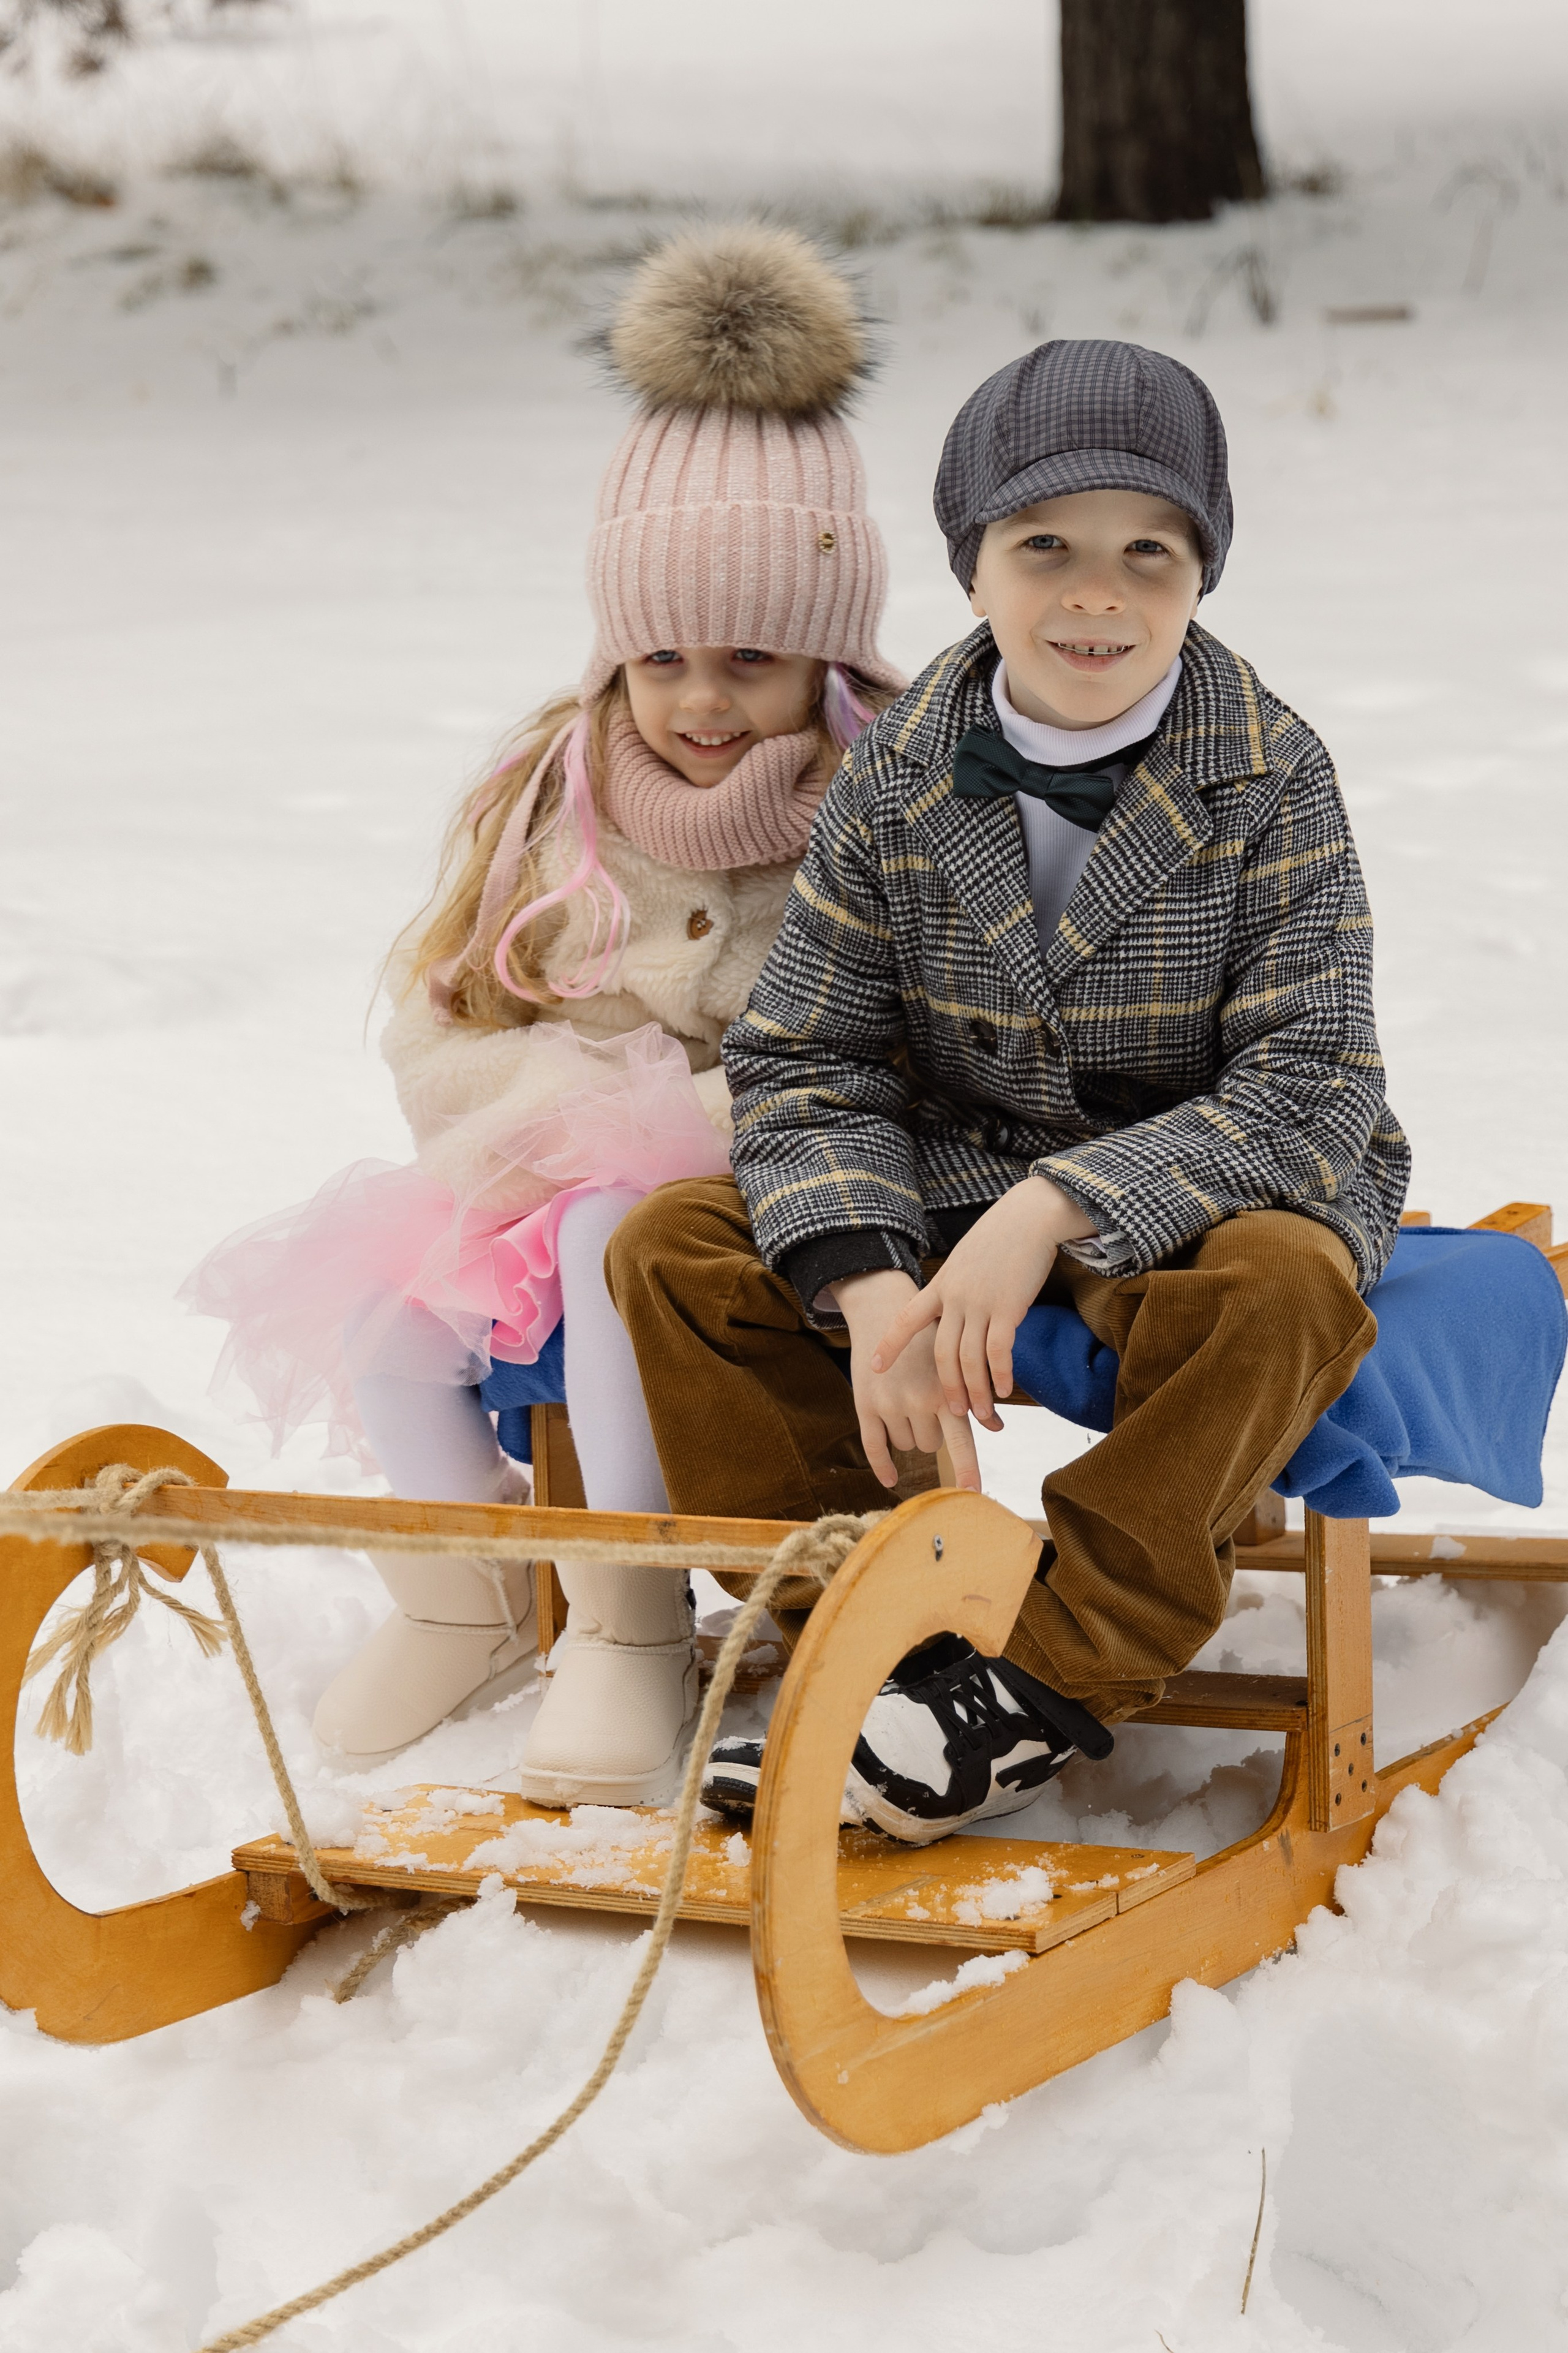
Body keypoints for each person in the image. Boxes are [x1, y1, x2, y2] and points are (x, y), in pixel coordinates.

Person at [605, 336, 1409, 1843]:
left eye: (1146, 553)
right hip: (958, 1158)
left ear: (1199, 574)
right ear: (971, 566)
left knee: (1285, 1287)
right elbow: (808, 1053)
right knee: (672, 1248)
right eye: (1044, 546)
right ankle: (868, 1619)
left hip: (1210, 1184)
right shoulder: (899, 770)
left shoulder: (1270, 771)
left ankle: (1046, 1669)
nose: (1093, 594)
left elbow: (1310, 1076)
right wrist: (862, 1283)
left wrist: (1055, 1206)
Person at [184, 224, 902, 1802]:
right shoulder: (553, 797)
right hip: (553, 1172)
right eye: (660, 657)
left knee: (604, 1244)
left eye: (750, 659)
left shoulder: (883, 803)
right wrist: (527, 1111)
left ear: (828, 653)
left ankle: (625, 1622)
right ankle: (466, 1591)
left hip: (783, 1200)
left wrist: (673, 1128)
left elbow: (901, 1052)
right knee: (384, 1291)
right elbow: (438, 1015)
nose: (701, 701)